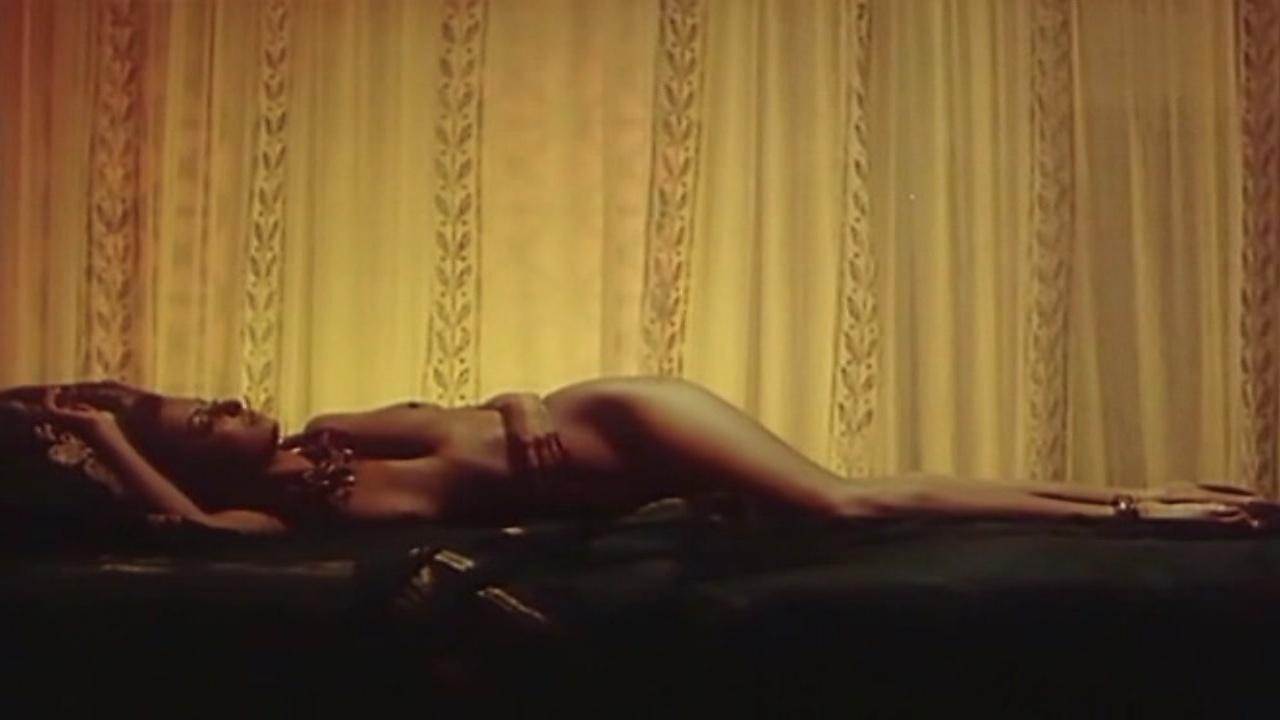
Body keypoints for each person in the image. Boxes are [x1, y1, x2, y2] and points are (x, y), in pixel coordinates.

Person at [0, 377, 1272, 535]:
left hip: (618, 417)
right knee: (853, 498)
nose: (237, 402)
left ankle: (1141, 507)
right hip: (623, 484)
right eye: (207, 421)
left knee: (845, 502)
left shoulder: (338, 427)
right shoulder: (277, 524)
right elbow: (181, 535)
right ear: (200, 466)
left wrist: (522, 421)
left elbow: (494, 395)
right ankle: (1147, 501)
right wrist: (103, 437)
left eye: (218, 394)